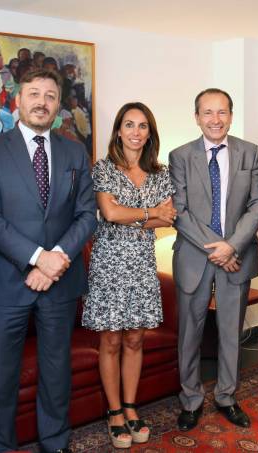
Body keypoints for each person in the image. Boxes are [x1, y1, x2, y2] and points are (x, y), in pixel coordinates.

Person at [0, 68, 97, 453]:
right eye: (34, 94)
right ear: (18, 100)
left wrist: (55, 259)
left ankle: (55, 442)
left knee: (56, 370)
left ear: (58, 106)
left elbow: (87, 215)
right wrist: (37, 259)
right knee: (1, 373)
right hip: (8, 281)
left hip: (61, 280)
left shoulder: (74, 151)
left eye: (50, 96)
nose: (42, 102)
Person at [169, 88, 258, 431]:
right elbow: (179, 212)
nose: (215, 119)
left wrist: (233, 246)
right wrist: (219, 249)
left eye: (222, 112)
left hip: (236, 257)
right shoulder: (180, 156)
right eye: (208, 112)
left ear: (231, 116)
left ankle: (226, 396)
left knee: (230, 333)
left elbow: (257, 204)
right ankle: (190, 400)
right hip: (194, 259)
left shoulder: (249, 152)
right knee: (189, 334)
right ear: (197, 117)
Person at [82, 102, 176, 449]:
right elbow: (109, 213)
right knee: (111, 340)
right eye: (129, 125)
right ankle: (114, 411)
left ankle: (131, 406)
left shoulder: (161, 173)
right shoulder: (104, 169)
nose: (136, 132)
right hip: (109, 265)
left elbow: (168, 218)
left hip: (141, 265)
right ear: (118, 131)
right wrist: (150, 213)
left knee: (136, 338)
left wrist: (131, 214)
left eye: (142, 126)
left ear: (150, 133)